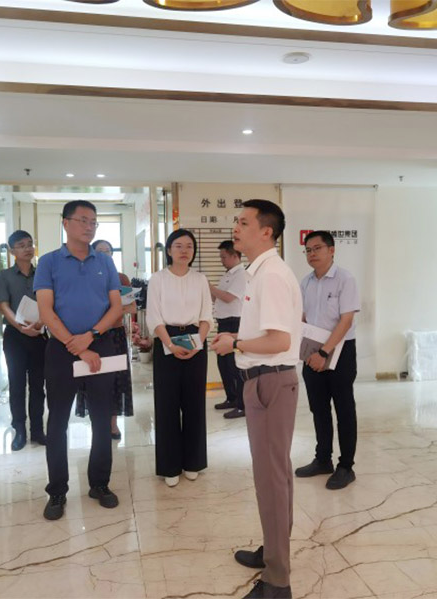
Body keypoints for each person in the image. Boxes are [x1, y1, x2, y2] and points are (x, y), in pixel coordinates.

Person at [212, 200, 301, 599]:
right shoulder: (260, 272)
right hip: (265, 380)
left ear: (266, 231)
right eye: (236, 221)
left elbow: (279, 340)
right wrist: (238, 340)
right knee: (275, 476)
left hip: (270, 381)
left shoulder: (272, 275)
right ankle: (273, 551)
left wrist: (235, 344)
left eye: (244, 222)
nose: (236, 227)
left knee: (271, 480)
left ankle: (277, 581)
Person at [34, 200, 124, 520]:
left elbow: (116, 307)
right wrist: (78, 346)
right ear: (66, 223)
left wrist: (92, 336)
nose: (89, 226)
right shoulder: (48, 262)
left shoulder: (105, 262)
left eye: (93, 222)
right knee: (58, 421)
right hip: (62, 350)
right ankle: (57, 490)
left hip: (101, 346)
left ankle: (99, 484)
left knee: (102, 418)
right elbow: (46, 311)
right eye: (83, 220)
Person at [145, 229, 212, 487]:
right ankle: (169, 466)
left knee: (194, 404)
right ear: (169, 250)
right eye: (178, 246)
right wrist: (171, 344)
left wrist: (197, 344)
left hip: (196, 339)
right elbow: (154, 317)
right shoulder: (158, 279)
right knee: (167, 405)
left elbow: (206, 316)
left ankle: (193, 462)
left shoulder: (200, 279)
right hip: (167, 340)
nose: (184, 250)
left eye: (189, 246)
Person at [297, 231, 360, 490]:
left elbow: (346, 320)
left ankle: (346, 466)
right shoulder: (306, 282)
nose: (312, 254)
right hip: (311, 352)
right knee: (319, 409)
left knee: (344, 409)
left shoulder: (345, 279)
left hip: (340, 351)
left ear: (331, 250)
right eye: (308, 250)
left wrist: (324, 353)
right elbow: (302, 317)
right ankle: (323, 459)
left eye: (317, 248)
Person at [0, 230, 46, 452]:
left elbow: (49, 303)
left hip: (40, 334)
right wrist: (21, 327)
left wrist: (40, 323)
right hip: (15, 337)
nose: (28, 249)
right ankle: (19, 430)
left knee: (38, 385)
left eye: (30, 244)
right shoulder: (3, 276)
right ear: (12, 250)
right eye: (22, 245)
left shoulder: (43, 273)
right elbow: (4, 305)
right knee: (16, 385)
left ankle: (37, 430)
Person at [89, 239, 136, 441]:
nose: (104, 254)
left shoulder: (121, 278)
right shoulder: (86, 277)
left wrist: (114, 311)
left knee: (116, 379)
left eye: (107, 251)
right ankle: (97, 423)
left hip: (115, 334)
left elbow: (132, 307)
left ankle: (113, 424)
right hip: (92, 335)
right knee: (95, 378)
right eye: (99, 251)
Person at [210, 240, 247, 419]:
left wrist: (210, 287)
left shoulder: (241, 274)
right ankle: (231, 398)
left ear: (234, 255)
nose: (222, 260)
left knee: (234, 365)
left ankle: (242, 404)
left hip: (235, 323)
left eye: (224, 257)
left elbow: (229, 297)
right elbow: (218, 298)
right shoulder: (227, 275)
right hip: (223, 323)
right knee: (223, 364)